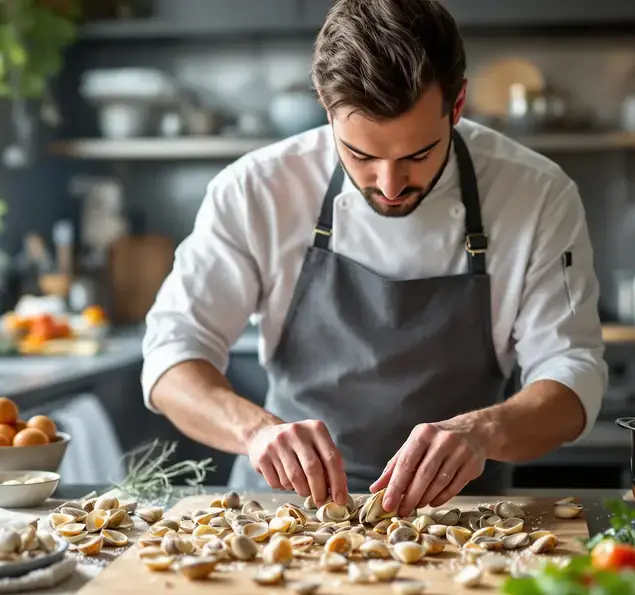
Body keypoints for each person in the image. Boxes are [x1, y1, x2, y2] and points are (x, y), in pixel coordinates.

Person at [140, 0, 607, 517]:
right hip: (282, 514)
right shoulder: (257, 190)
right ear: (326, 106)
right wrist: (254, 431)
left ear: (457, 105)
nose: (389, 185)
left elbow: (572, 371)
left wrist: (483, 430)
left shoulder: (536, 195)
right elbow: (171, 356)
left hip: (461, 518)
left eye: (418, 154)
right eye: (361, 155)